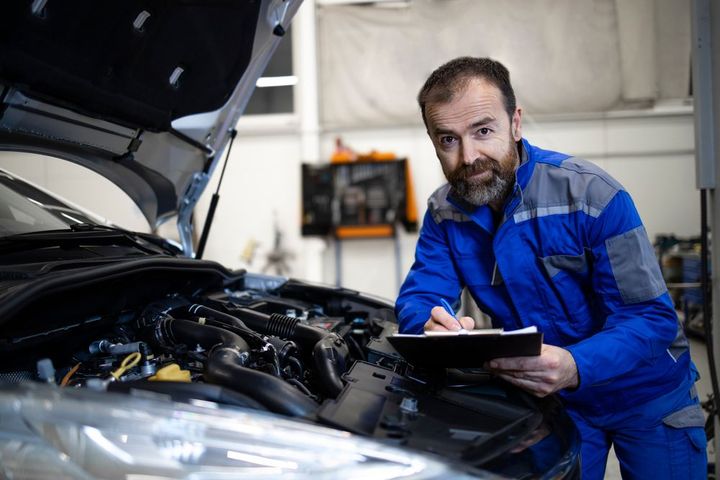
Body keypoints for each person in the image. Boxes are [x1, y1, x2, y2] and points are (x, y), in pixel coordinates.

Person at [395, 56, 707, 479]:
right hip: (554, 403)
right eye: (448, 140)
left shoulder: (593, 195)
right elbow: (421, 296)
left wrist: (576, 365)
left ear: (516, 123)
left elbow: (650, 318)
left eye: (483, 131)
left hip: (647, 395)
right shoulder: (444, 213)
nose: (469, 157)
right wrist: (432, 325)